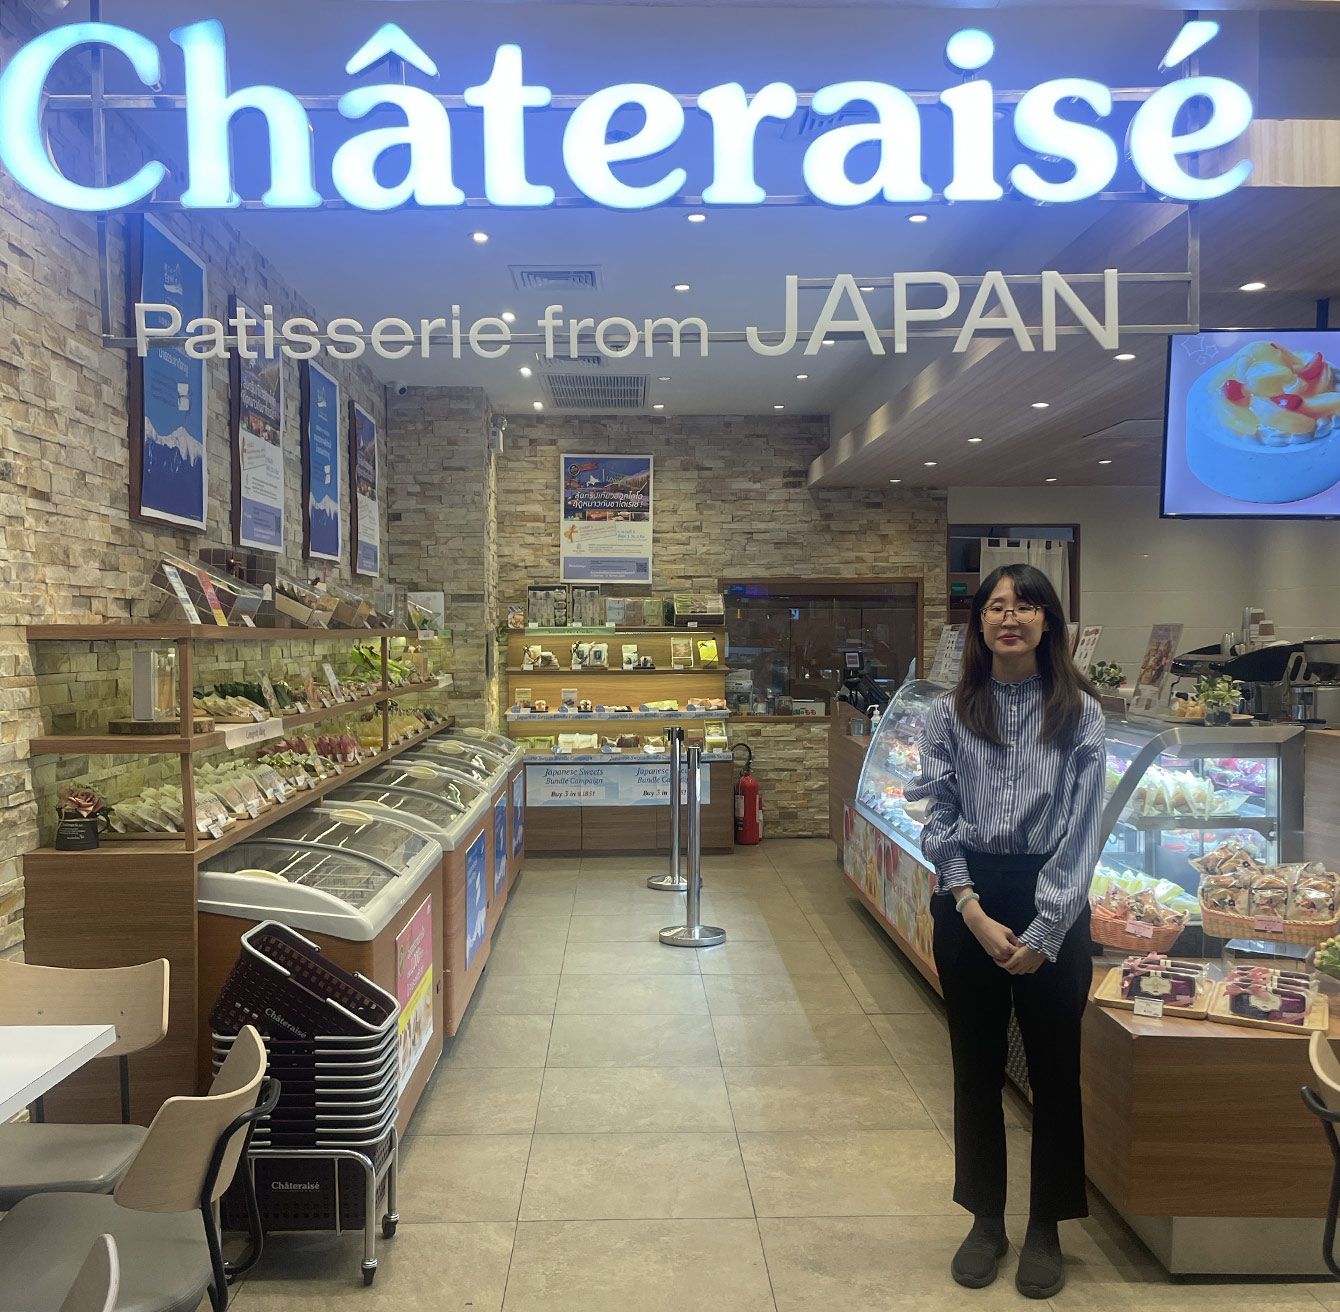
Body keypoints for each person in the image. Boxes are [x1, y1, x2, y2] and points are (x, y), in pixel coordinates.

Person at [905, 563, 1106, 1299]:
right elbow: (937, 813)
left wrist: (1046, 928)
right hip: (971, 898)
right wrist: (970, 907)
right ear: (979, 623)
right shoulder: (949, 712)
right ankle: (985, 1220)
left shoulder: (1081, 714)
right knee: (975, 1067)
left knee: (1055, 1071)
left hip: (1054, 894)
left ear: (1048, 621)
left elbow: (1084, 828)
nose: (1009, 617)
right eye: (995, 606)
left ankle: (1046, 1226)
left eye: (1024, 606)